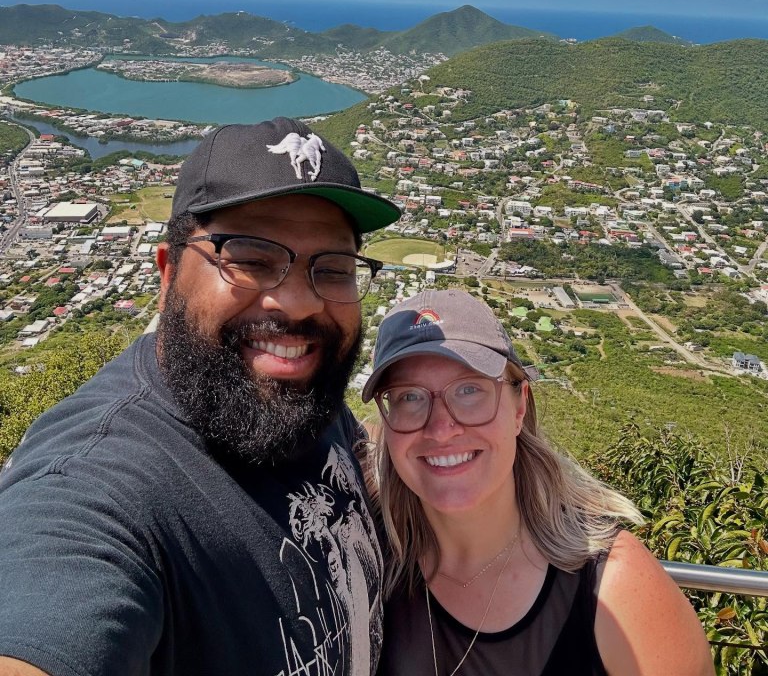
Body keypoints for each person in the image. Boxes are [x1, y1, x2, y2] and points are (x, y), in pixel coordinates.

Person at [0, 116, 401, 676]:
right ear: (167, 275)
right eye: (250, 258)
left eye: (332, 269)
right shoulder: (96, 486)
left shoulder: (301, 392)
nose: (300, 304)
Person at [362, 289, 715, 676]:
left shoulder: (615, 588)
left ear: (519, 407)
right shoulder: (366, 562)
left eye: (469, 390)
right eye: (410, 397)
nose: (442, 428)